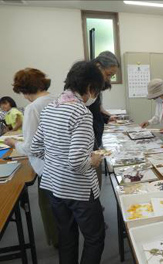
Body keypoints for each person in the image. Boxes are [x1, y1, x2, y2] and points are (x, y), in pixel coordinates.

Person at [31, 61, 105, 264]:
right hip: (79, 190)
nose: (93, 95)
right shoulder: (80, 113)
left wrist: (57, 159)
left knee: (66, 237)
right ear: (90, 87)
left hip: (55, 186)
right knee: (95, 238)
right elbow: (77, 163)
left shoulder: (51, 108)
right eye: (95, 90)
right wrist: (94, 159)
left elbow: (35, 148)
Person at [4, 68, 58, 247]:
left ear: (25, 90)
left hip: (47, 167)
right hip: (61, 162)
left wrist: (13, 143)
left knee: (49, 206)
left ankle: (57, 241)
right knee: (61, 207)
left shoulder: (33, 108)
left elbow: (30, 148)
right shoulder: (58, 99)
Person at [89, 51, 120, 188]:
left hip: (95, 140)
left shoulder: (96, 88)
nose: (108, 79)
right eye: (108, 75)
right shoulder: (87, 87)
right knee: (92, 185)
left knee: (96, 184)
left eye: (112, 76)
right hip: (88, 146)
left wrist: (107, 117)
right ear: (98, 66)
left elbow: (97, 108)